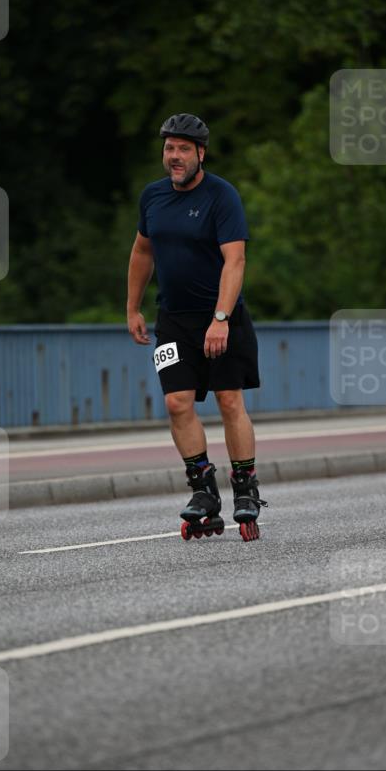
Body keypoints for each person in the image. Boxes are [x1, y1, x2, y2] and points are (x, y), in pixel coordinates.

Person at [126, 112, 267, 542]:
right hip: (173, 320)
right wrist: (132, 308)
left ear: (201, 153)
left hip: (221, 317)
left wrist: (221, 319)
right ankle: (203, 488)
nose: (175, 156)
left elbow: (235, 260)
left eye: (184, 149)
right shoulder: (153, 197)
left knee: (229, 400)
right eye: (169, 148)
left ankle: (245, 487)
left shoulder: (221, 196)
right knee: (177, 402)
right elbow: (142, 252)